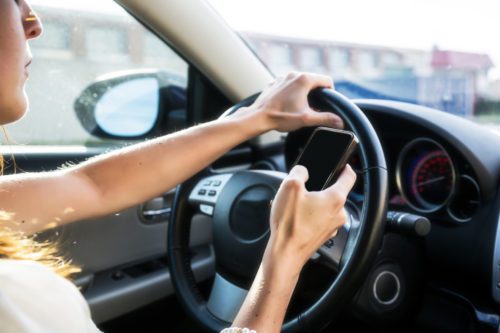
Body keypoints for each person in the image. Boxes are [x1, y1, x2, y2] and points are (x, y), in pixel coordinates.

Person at [0, 1, 356, 332]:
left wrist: (256, 117)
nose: (33, 22)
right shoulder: (14, 296)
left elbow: (92, 185)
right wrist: (287, 251)